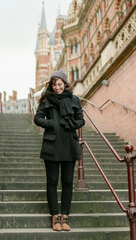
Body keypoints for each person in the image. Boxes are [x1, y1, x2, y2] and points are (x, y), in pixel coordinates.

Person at [34, 69, 85, 231]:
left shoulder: (74, 99)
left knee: (68, 182)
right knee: (52, 181)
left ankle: (65, 216)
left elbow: (80, 120)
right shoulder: (47, 100)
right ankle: (55, 217)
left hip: (69, 144)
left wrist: (71, 125)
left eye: (59, 84)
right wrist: (53, 124)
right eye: (54, 85)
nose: (57, 88)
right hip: (52, 145)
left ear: (65, 84)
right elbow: (38, 118)